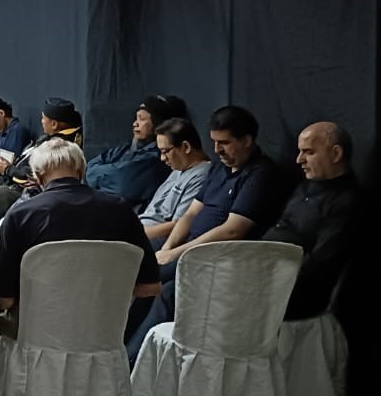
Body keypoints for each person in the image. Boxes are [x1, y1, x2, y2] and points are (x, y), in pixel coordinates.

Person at [125, 105, 294, 361]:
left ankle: (131, 362)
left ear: (247, 140)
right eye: (214, 142)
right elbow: (190, 215)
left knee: (160, 287)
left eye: (224, 143)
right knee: (140, 274)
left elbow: (232, 231)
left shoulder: (261, 175)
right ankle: (118, 349)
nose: (217, 150)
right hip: (190, 252)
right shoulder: (217, 169)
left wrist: (175, 254)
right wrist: (168, 249)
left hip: (220, 260)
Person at [0, 138, 159, 340]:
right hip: (102, 334)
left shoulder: (20, 216)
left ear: (38, 177)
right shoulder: (121, 210)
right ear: (81, 171)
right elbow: (150, 286)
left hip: (40, 336)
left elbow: (5, 300)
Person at [265, 122, 359, 319]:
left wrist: (263, 283)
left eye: (308, 152)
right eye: (300, 152)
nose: (299, 160)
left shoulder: (346, 202)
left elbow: (320, 266)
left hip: (290, 294)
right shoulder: (306, 185)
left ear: (336, 154)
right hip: (265, 271)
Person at [0, 97, 84, 243]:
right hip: (6, 180)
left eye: (43, 118)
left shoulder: (60, 146)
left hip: (20, 189)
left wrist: (7, 169)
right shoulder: (49, 138)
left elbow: (34, 176)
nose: (41, 122)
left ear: (54, 124)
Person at [89, 95, 186, 209]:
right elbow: (89, 167)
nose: (135, 123)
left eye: (142, 119)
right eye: (136, 118)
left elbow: (123, 184)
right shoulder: (125, 148)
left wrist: (100, 175)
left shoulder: (157, 157)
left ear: (158, 123)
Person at [138, 118, 213, 243]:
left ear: (185, 147)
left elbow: (179, 225)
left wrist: (133, 233)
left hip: (152, 240)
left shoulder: (202, 175)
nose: (162, 158)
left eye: (165, 151)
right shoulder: (177, 169)